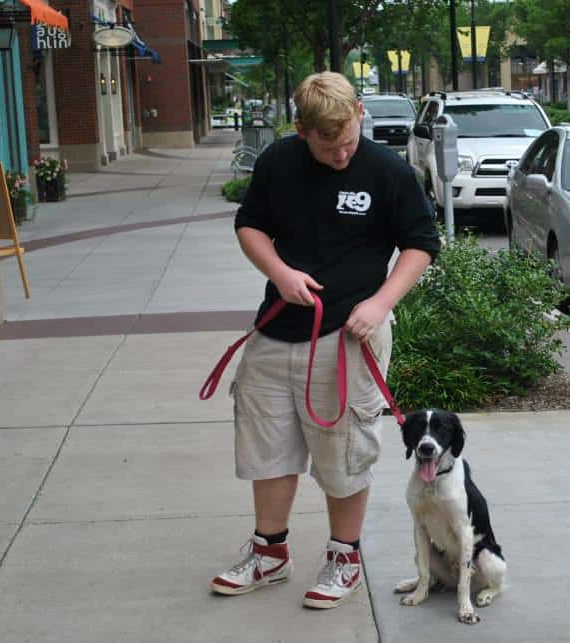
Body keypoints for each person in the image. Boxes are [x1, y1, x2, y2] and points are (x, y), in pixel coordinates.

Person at [210, 71, 440, 609]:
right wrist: (280, 273)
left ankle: (344, 558)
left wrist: (380, 303)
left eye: (348, 143)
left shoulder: (388, 171)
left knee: (344, 453)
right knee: (267, 447)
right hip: (275, 330)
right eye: (327, 147)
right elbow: (250, 225)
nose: (341, 156)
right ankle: (269, 554)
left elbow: (421, 243)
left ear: (359, 113)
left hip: (348, 336)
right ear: (301, 131)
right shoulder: (278, 162)